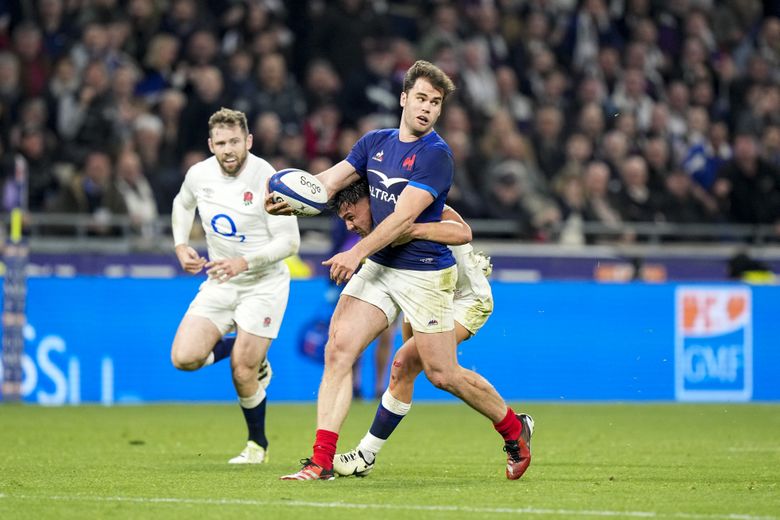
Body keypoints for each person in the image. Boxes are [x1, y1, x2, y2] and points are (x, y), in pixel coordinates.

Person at [268, 60, 532, 481]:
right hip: (381, 267)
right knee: (338, 350)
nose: (427, 108)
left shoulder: (436, 156)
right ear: (404, 98)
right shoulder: (374, 142)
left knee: (441, 373)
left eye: (436, 102)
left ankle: (514, 428)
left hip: (426, 274)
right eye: (421, 98)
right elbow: (331, 182)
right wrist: (289, 195)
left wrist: (356, 252)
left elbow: (401, 221)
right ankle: (321, 461)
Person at [323, 180, 525, 477]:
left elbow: (462, 232)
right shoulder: (377, 230)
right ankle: (366, 455)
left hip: (465, 298)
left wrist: (414, 228)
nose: (350, 227)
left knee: (440, 372)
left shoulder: (413, 205)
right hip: (422, 290)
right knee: (405, 366)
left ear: (370, 201)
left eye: (351, 217)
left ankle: (514, 428)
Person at [171, 107, 300, 464]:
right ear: (211, 144)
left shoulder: (270, 179)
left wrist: (244, 262)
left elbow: (289, 243)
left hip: (263, 283)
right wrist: (181, 244)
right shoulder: (199, 174)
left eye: (235, 141)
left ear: (249, 141)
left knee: (242, 371)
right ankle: (244, 348)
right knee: (184, 358)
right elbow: (182, 204)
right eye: (221, 143)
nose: (228, 149)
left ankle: (257, 445)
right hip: (220, 281)